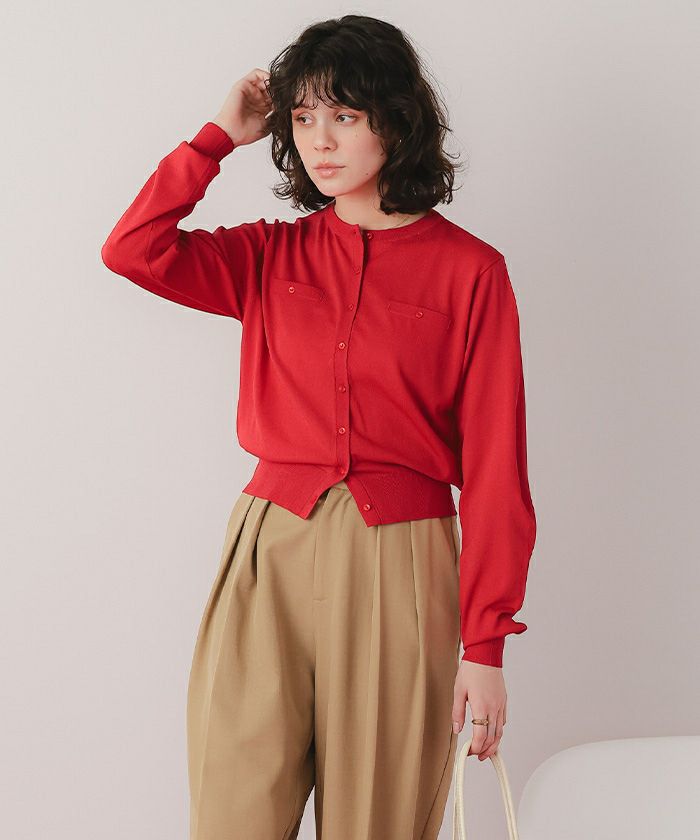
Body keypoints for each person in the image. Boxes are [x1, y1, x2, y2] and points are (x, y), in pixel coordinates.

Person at [100, 14, 537, 840]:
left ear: (395, 121)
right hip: (267, 548)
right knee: (231, 812)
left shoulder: (471, 272)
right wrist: (216, 138)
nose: (320, 140)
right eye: (303, 118)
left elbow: (496, 467)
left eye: (344, 115)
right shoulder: (268, 256)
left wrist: (485, 646)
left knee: (378, 820)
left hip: (401, 558)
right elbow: (133, 250)